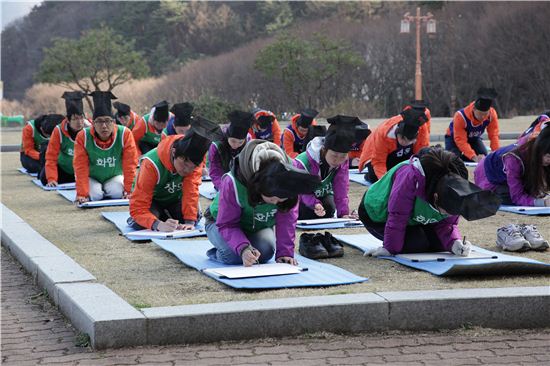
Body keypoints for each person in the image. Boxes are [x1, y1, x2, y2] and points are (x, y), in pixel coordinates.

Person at [359, 147, 500, 256]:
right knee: (416, 244)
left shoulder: (456, 187)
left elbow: (447, 224)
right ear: (436, 197)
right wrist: (389, 249)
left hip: (415, 219)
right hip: (377, 213)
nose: (446, 214)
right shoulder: (411, 177)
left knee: (440, 244)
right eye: (444, 211)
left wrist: (454, 243)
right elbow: (397, 216)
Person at [204, 140, 320, 266]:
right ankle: (219, 252)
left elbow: (287, 218)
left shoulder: (289, 176)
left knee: (265, 252)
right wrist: (243, 248)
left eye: (281, 199)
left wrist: (285, 253)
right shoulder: (233, 181)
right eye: (271, 198)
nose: (275, 203)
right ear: (258, 188)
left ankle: (240, 246)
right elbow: (227, 223)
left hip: (257, 227)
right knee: (233, 256)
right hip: (220, 223)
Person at [129, 128, 212, 231]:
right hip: (153, 201)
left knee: (195, 216)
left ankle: (165, 216)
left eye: (193, 167)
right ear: (174, 152)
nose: (187, 170)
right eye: (184, 164)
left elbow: (191, 191)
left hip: (175, 199)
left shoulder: (195, 161)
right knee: (142, 223)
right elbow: (139, 206)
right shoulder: (151, 164)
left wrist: (189, 222)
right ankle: (159, 217)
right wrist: (157, 224)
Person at [73, 91, 138, 203]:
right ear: (93, 123)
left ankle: (107, 190)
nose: (104, 126)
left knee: (117, 193)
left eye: (108, 121)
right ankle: (98, 190)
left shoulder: (125, 134)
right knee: (95, 195)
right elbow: (80, 167)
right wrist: (82, 194)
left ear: (113, 122)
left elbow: (130, 164)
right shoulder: (83, 136)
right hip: (92, 177)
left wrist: (129, 191)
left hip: (114, 176)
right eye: (99, 121)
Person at [294, 115, 359, 220]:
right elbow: (300, 190)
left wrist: (343, 213)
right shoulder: (303, 162)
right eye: (334, 155)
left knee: (329, 209)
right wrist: (314, 203)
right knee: (305, 212)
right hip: (299, 195)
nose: (337, 160)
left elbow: (341, 187)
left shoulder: (342, 161)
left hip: (321, 194)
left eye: (342, 156)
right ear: (324, 150)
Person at [474, 126, 550, 207]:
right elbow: (517, 197)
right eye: (548, 156)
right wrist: (543, 203)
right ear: (538, 150)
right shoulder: (513, 159)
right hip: (488, 177)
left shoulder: (537, 148)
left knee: (532, 191)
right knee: (508, 197)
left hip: (506, 174)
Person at [358, 107, 428, 183]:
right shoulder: (384, 134)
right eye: (404, 140)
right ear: (398, 134)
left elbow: (420, 156)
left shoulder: (421, 129)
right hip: (376, 153)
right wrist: (385, 182)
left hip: (402, 154)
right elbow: (379, 161)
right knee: (374, 177)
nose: (407, 144)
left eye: (411, 141)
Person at [40, 92, 90, 186]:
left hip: (83, 170)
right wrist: (52, 179)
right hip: (64, 169)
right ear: (67, 119)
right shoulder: (58, 130)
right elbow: (51, 156)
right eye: (75, 119)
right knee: (44, 178)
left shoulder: (90, 129)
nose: (79, 122)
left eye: (81, 118)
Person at [445, 87, 499, 162]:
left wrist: (496, 154)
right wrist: (473, 157)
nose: (483, 117)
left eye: (485, 114)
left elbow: (494, 135)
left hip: (473, 138)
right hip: (453, 138)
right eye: (480, 114)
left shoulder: (492, 115)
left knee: (483, 155)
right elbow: (460, 140)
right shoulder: (460, 116)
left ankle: (463, 157)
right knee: (454, 160)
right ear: (474, 109)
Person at [208, 110, 254, 190]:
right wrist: (222, 188)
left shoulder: (249, 141)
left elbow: (250, 166)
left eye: (240, 142)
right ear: (227, 136)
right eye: (233, 141)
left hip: (241, 180)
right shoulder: (216, 144)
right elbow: (215, 170)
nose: (235, 145)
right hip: (222, 178)